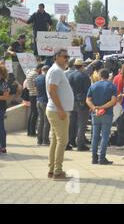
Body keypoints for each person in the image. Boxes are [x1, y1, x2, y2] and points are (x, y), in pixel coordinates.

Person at [46, 48, 74, 180]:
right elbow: (52, 91)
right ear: (56, 57)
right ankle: (57, 171)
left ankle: (52, 169)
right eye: (64, 57)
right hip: (57, 111)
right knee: (62, 140)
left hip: (56, 110)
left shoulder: (56, 70)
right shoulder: (56, 70)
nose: (66, 59)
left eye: (68, 57)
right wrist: (61, 110)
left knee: (56, 141)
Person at [86, 68, 117, 165]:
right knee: (104, 136)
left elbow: (88, 100)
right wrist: (102, 107)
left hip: (95, 113)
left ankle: (94, 158)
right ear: (108, 76)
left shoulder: (93, 85)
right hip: (107, 113)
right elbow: (113, 101)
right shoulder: (112, 86)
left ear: (99, 76)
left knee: (95, 136)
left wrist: (95, 108)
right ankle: (102, 158)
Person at [67, 58, 91, 151]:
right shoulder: (84, 76)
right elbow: (88, 90)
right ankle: (80, 144)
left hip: (72, 101)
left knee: (72, 123)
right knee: (82, 124)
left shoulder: (70, 75)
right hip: (82, 102)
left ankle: (70, 141)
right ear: (83, 66)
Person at [26, 63, 44, 137]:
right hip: (34, 95)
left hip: (31, 94)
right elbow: (36, 85)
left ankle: (29, 131)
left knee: (32, 113)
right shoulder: (35, 75)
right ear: (40, 69)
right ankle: (32, 131)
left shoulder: (30, 73)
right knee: (35, 113)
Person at [36, 65, 50, 146]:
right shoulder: (47, 78)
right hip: (45, 101)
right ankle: (45, 140)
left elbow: (36, 89)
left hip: (38, 100)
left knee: (40, 121)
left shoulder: (37, 78)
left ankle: (39, 140)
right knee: (46, 121)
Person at [0, 65, 10, 154]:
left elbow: (6, 96)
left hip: (1, 108)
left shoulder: (3, 83)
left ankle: (3, 146)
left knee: (1, 127)